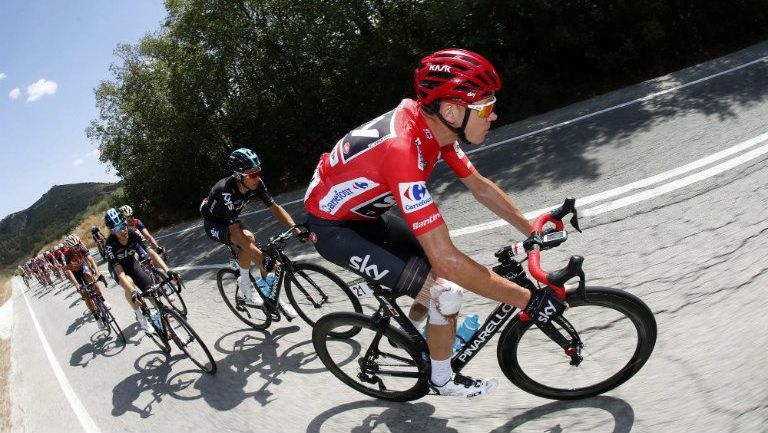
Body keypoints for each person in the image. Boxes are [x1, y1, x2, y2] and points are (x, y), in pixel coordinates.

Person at [304, 48, 566, 398]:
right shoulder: (402, 149)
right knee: (446, 292)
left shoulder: (435, 129)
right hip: (334, 230)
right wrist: (527, 299)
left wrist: (531, 230)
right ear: (453, 109)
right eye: (486, 108)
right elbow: (448, 260)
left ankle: (412, 329)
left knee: (434, 279)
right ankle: (441, 379)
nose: (493, 115)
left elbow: (480, 188)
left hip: (365, 214)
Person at [200, 148, 302, 318]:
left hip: (230, 218)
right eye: (252, 174)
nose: (257, 177)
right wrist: (263, 258)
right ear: (238, 175)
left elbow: (275, 208)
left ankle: (274, 298)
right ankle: (245, 283)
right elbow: (236, 233)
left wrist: (296, 229)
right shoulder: (224, 191)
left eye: (258, 172)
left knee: (263, 254)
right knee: (249, 241)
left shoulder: (256, 183)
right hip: (214, 224)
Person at [103, 208, 177, 333]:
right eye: (117, 228)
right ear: (112, 231)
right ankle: (140, 316)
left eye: (123, 225)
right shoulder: (110, 245)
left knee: (153, 294)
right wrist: (132, 291)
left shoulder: (133, 232)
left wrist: (167, 271)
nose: (122, 230)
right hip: (118, 270)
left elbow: (151, 253)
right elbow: (119, 271)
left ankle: (172, 330)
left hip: (132, 264)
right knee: (129, 283)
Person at [62, 234, 110, 323]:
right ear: (69, 248)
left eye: (77, 245)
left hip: (82, 266)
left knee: (91, 279)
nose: (77, 248)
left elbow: (91, 260)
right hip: (74, 272)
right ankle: (97, 317)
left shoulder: (81, 247)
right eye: (74, 247)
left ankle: (103, 300)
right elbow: (69, 272)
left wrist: (97, 273)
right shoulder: (67, 254)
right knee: (85, 295)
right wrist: (77, 285)